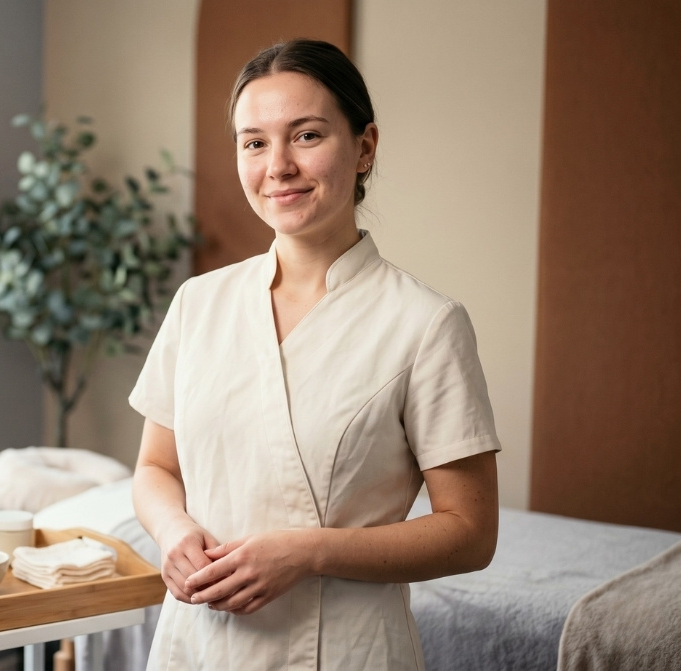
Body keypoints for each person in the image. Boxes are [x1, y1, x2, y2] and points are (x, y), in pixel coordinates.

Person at [129, 39, 500, 670]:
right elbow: (155, 469)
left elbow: (469, 531)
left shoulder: (426, 323)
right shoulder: (199, 303)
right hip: (198, 644)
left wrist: (307, 553)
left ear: (364, 148)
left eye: (305, 136)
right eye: (254, 142)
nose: (277, 166)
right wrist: (175, 533)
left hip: (343, 649)